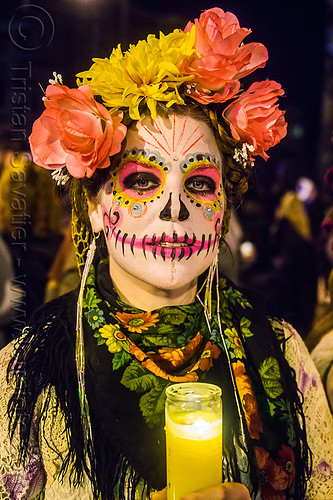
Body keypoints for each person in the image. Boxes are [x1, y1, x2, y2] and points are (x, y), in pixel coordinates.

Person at [0, 7, 332, 500]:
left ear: (223, 208)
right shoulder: (28, 372)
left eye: (199, 183)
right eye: (140, 181)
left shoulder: (283, 350)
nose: (174, 209)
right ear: (95, 205)